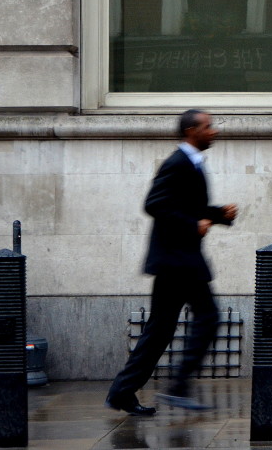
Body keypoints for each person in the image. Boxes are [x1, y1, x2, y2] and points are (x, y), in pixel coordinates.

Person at [105, 109, 238, 415]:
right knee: (208, 318)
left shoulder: (192, 163)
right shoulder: (177, 163)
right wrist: (193, 225)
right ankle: (177, 388)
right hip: (179, 261)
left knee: (160, 330)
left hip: (177, 261)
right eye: (208, 127)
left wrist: (218, 215)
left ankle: (122, 393)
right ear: (192, 131)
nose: (214, 131)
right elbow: (154, 204)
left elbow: (188, 206)